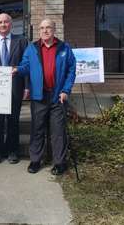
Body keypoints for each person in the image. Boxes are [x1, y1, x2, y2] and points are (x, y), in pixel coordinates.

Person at [13, 18, 76, 175]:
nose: (45, 30)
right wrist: (17, 70)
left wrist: (66, 90)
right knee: (37, 129)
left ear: (54, 30)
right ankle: (36, 160)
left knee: (58, 131)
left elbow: (71, 70)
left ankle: (59, 162)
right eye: (42, 28)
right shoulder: (32, 48)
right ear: (39, 30)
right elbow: (25, 66)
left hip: (57, 96)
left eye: (48, 27)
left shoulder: (64, 48)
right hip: (39, 96)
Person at [0, 13, 28, 164]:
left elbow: (26, 65)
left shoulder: (21, 41)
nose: (3, 24)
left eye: (6, 22)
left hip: (15, 86)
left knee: (13, 120)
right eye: (0, 22)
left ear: (11, 24)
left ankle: (13, 151)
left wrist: (27, 87)